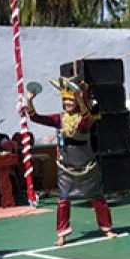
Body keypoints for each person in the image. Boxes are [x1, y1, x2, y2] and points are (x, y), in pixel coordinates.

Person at [26, 75, 117, 246]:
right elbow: (36, 118)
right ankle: (62, 234)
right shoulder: (59, 119)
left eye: (71, 101)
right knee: (63, 200)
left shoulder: (85, 120)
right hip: (66, 167)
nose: (68, 104)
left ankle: (106, 228)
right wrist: (30, 102)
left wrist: (80, 99)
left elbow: (84, 122)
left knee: (98, 198)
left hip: (87, 166)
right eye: (65, 101)